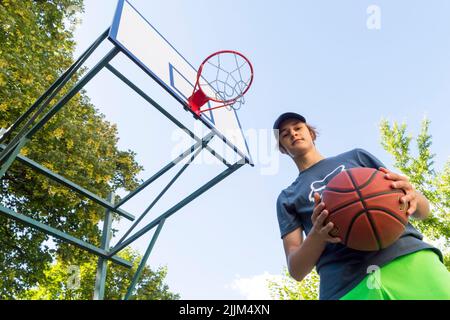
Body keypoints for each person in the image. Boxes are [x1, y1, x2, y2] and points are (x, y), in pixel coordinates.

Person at [274, 112, 450, 300]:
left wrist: (412, 194)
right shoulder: (287, 197)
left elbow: (423, 211)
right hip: (346, 287)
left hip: (410, 258)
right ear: (283, 148)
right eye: (285, 134)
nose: (293, 133)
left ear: (311, 133)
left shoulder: (357, 157)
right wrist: (318, 234)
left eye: (298, 127)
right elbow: (296, 270)